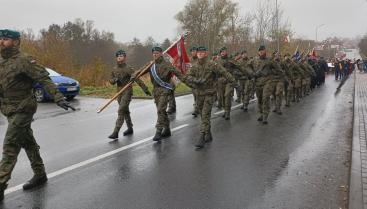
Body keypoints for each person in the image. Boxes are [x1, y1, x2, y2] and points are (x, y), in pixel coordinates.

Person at [0, 29, 75, 200]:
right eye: (0, 39)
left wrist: (58, 97)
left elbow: (44, 78)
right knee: (28, 142)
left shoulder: (25, 60)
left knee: (10, 145)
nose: (1, 42)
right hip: (8, 110)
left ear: (16, 42)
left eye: (5, 39)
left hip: (23, 109)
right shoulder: (1, 61)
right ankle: (40, 174)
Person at [185, 46, 235, 149]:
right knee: (203, 115)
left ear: (206, 53)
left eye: (202, 52)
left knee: (205, 113)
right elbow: (187, 76)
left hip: (209, 93)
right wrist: (195, 80)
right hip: (199, 94)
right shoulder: (194, 66)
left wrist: (234, 82)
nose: (200, 54)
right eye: (198, 52)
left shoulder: (212, 64)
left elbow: (224, 72)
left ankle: (202, 136)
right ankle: (208, 133)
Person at [108, 49, 151, 139]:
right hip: (119, 91)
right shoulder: (114, 69)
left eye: (121, 56)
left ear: (125, 57)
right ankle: (130, 128)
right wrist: (114, 80)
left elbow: (137, 79)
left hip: (127, 90)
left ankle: (116, 132)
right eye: (118, 56)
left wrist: (145, 89)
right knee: (125, 110)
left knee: (121, 110)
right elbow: (111, 81)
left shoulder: (129, 68)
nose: (119, 58)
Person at [149, 46, 187, 142]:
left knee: (160, 110)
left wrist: (189, 81)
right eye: (153, 53)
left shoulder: (167, 64)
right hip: (156, 91)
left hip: (165, 89)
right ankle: (167, 129)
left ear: (161, 53)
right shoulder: (151, 65)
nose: (155, 55)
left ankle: (158, 131)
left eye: (157, 53)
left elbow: (178, 73)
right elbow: (139, 72)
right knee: (161, 110)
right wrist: (133, 76)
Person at [249, 45, 282, 124]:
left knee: (265, 98)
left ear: (265, 51)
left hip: (268, 82)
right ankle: (261, 113)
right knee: (259, 99)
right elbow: (247, 67)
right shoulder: (254, 60)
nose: (262, 52)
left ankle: (265, 116)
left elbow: (278, 69)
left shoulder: (270, 60)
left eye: (263, 51)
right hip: (258, 83)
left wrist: (282, 78)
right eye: (260, 51)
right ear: (258, 52)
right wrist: (252, 73)